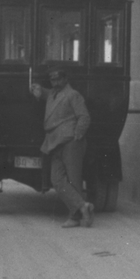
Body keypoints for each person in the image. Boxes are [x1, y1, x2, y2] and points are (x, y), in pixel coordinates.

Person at [31, 67, 94, 229]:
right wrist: (39, 90)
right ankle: (83, 206)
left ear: (66, 79)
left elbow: (84, 117)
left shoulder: (73, 95)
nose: (56, 82)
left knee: (73, 180)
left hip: (71, 142)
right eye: (52, 79)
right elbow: (47, 94)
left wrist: (77, 135)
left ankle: (75, 217)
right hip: (55, 142)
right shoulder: (53, 94)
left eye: (59, 79)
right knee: (57, 180)